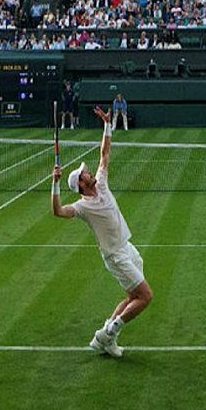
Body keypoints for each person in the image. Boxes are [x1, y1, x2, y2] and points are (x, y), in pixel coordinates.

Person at [51, 105, 152, 358]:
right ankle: (107, 334)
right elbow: (58, 212)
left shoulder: (102, 183)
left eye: (86, 171)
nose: (89, 172)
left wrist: (107, 125)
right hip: (115, 255)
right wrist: (55, 184)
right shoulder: (82, 207)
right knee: (145, 297)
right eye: (85, 174)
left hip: (127, 247)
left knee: (131, 296)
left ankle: (105, 337)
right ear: (81, 185)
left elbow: (104, 153)